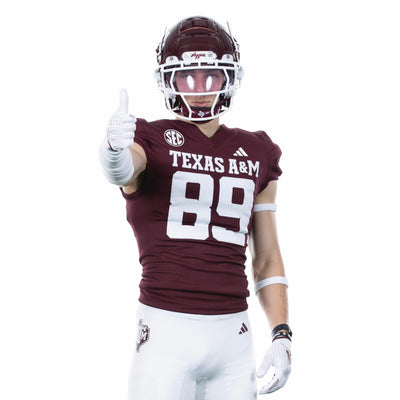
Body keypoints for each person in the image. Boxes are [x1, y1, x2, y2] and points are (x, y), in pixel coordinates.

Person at [99, 16, 292, 400]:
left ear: (229, 77)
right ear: (169, 79)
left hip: (233, 337)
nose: (200, 89)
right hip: (165, 331)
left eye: (211, 76)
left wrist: (281, 333)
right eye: (188, 77)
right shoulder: (148, 138)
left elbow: (267, 257)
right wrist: (112, 150)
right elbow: (123, 170)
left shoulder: (258, 150)